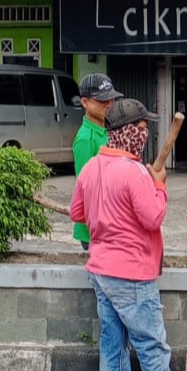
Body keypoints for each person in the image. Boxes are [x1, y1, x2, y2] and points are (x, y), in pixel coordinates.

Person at [70, 99, 187, 371]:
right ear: (127, 133)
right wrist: (159, 185)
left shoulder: (93, 167)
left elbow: (77, 213)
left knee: (113, 346)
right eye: (141, 128)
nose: (145, 134)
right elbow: (153, 217)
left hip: (100, 271)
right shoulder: (136, 172)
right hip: (132, 275)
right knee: (152, 347)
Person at [71, 73, 123, 251]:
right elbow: (87, 187)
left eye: (111, 99)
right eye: (102, 100)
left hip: (111, 224)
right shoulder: (86, 139)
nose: (108, 104)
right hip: (95, 230)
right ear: (85, 102)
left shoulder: (109, 131)